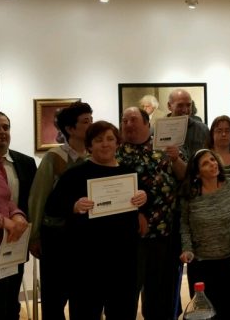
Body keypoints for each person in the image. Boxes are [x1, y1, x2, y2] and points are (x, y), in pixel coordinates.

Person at [45, 121, 147, 320]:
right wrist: (74, 206)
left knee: (123, 313)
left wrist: (144, 198)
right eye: (99, 140)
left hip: (123, 261)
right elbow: (52, 206)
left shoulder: (129, 174)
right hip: (86, 263)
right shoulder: (74, 175)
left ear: (117, 143)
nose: (105, 144)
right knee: (85, 313)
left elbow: (142, 206)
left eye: (110, 139)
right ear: (90, 146)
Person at [118, 107, 186, 320]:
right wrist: (135, 213)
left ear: (147, 123)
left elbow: (184, 176)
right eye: (124, 121)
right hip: (129, 235)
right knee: (127, 291)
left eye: (133, 120)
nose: (128, 124)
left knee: (161, 290)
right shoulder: (116, 151)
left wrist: (176, 159)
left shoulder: (165, 146)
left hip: (164, 231)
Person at [28, 101, 93, 319]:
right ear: (70, 129)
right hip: (58, 237)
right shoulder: (54, 157)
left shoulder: (94, 157)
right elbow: (39, 197)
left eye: (91, 120)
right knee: (54, 299)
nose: (91, 125)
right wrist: (34, 235)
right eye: (86, 121)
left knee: (84, 299)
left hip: (86, 239)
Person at [179, 149, 230, 320]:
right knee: (204, 315)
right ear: (197, 173)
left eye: (213, 159)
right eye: (205, 163)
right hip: (200, 264)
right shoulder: (190, 193)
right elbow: (185, 225)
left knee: (228, 312)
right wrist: (187, 249)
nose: (212, 164)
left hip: (229, 262)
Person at [0, 111, 36, 320]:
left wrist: (19, 216)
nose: (2, 132)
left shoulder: (26, 163)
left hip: (15, 244)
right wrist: (4, 220)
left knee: (11, 303)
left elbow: (14, 200)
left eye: (6, 127)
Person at [168, 89, 209, 159]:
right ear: (169, 106)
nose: (185, 110)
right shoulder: (158, 131)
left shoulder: (203, 129)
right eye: (180, 105)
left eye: (188, 105)